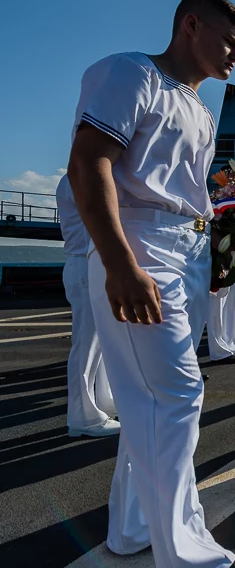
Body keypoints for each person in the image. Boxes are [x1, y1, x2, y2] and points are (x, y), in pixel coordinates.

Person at [65, 0, 235, 568]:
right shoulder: (132, 74)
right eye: (228, 41)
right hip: (139, 244)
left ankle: (130, 528)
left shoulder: (202, 115)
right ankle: (192, 565)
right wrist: (120, 261)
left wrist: (209, 262)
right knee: (176, 394)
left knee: (147, 396)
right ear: (189, 25)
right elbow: (89, 162)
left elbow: (189, 198)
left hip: (182, 249)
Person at [56, 174, 120, 437]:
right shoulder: (77, 178)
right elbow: (98, 214)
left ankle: (103, 400)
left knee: (103, 341)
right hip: (86, 261)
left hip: (92, 262)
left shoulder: (73, 177)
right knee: (87, 346)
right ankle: (83, 417)